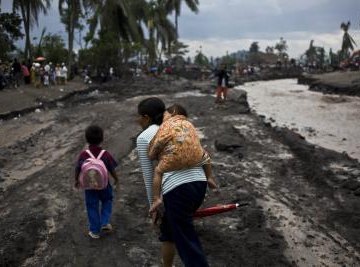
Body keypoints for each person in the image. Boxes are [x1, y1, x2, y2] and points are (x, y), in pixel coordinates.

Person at [136, 97, 210, 267]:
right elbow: (199, 153)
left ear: (146, 118)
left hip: (177, 191)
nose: (137, 120)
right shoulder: (178, 125)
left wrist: (153, 206)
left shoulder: (144, 137)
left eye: (139, 117)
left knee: (187, 242)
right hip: (199, 184)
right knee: (170, 230)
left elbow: (149, 176)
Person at [148, 104, 217, 218]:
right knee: (205, 156)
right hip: (195, 158)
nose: (163, 118)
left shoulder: (166, 125)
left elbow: (158, 142)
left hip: (174, 160)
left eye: (165, 114)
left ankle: (156, 199)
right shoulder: (189, 124)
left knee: (158, 172)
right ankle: (209, 177)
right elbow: (194, 140)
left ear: (173, 112)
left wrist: (152, 154)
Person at [75, 125, 119, 239]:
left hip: (89, 186)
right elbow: (111, 168)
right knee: (107, 200)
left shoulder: (84, 154)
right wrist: (116, 179)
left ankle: (94, 231)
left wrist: (76, 180)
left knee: (92, 206)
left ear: (86, 139)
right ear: (102, 139)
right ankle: (104, 222)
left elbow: (78, 168)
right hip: (104, 185)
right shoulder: (105, 154)